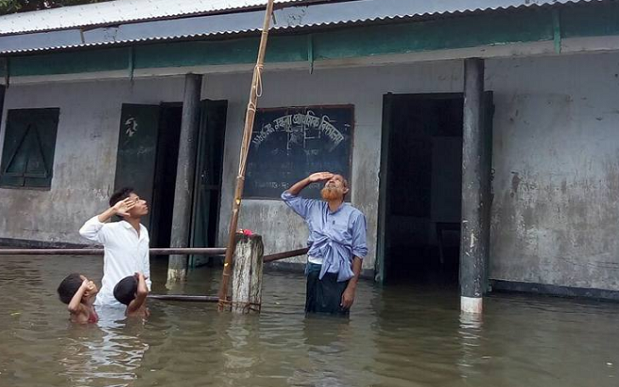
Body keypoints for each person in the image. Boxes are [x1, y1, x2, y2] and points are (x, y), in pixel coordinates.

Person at [281, 172, 368, 315]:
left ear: (345, 190)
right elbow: (287, 196)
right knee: (311, 316)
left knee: (335, 319)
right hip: (314, 270)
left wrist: (351, 289)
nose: (331, 181)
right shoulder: (313, 208)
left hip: (338, 274)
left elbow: (358, 253)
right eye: (328, 181)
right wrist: (309, 179)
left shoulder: (355, 216)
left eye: (337, 180)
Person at [79, 187, 151, 307]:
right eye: (137, 200)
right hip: (111, 299)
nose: (143, 202)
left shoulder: (144, 231)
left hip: (135, 298)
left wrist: (146, 290)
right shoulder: (112, 230)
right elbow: (85, 231)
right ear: (126, 207)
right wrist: (113, 210)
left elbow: (144, 265)